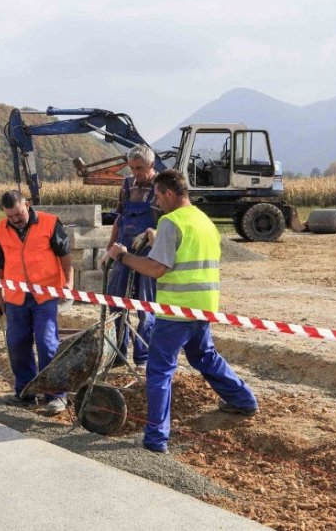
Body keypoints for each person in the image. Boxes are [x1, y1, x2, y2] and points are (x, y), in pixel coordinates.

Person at [108, 169, 258, 454]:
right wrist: (157, 240)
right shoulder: (203, 221)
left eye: (158, 196)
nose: (156, 202)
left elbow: (156, 268)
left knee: (159, 370)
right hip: (204, 306)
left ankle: (155, 439)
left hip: (176, 310)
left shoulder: (170, 222)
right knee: (203, 355)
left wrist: (124, 256)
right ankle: (243, 400)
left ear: (169, 193)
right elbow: (186, 252)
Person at [0, 190, 73, 416]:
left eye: (18, 214)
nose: (15, 219)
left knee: (47, 343)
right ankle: (25, 393)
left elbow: (65, 254)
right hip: (15, 297)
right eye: (10, 216)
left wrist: (68, 282)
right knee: (17, 343)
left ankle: (56, 396)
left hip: (44, 296)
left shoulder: (49, 223)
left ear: (26, 205)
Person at [101, 145, 160, 370]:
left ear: (151, 165)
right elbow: (119, 218)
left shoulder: (160, 187)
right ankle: (118, 353)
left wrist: (151, 235)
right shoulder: (126, 186)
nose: (136, 173)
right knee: (117, 302)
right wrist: (109, 249)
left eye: (140, 168)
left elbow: (169, 223)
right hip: (123, 250)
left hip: (147, 252)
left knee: (146, 306)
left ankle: (143, 358)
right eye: (132, 168)